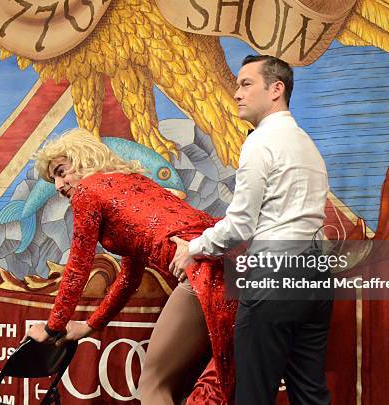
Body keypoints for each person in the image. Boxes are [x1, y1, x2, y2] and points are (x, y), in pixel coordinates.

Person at [25, 128, 237, 404]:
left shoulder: (88, 190)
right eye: (53, 178)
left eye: (62, 171)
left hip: (204, 270)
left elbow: (77, 269)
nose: (58, 185)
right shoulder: (134, 183)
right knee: (203, 383)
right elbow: (128, 279)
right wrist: (88, 326)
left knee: (153, 386)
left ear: (84, 158)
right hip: (236, 263)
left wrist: (53, 328)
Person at [171, 55, 332, 404]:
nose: (236, 93)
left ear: (276, 89)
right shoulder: (307, 143)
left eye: (246, 84)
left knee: (253, 395)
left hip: (275, 278)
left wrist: (193, 247)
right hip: (317, 276)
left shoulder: (260, 142)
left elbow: (240, 225)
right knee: (310, 394)